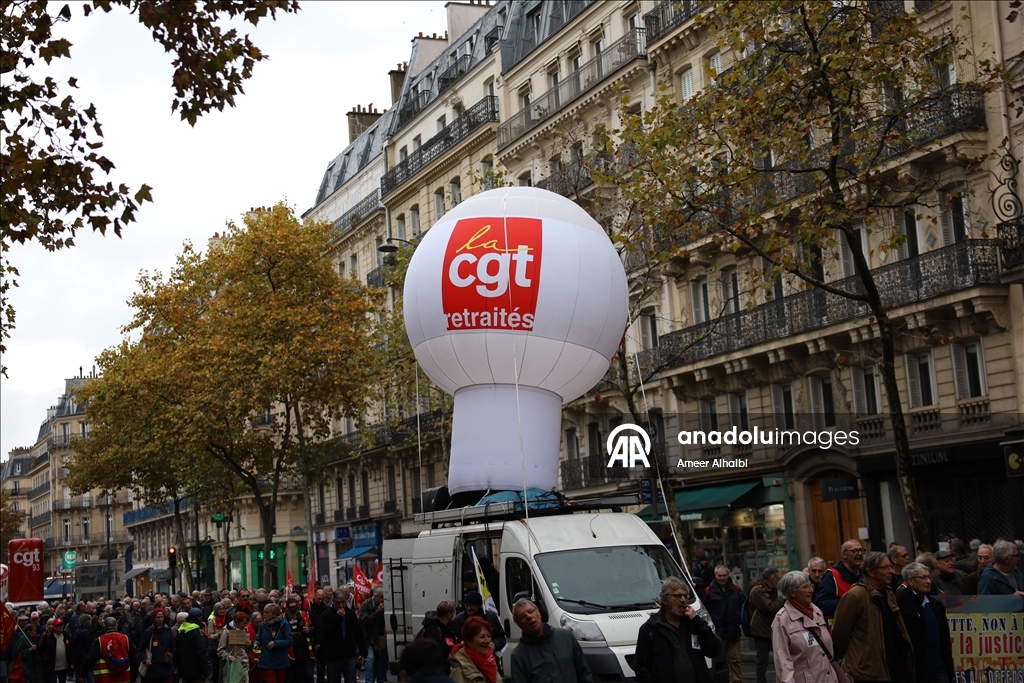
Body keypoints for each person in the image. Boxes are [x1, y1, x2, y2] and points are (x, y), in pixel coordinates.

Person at [832, 551, 914, 683]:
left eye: (890, 567)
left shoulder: (889, 592)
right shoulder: (855, 595)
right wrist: (859, 655)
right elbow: (840, 634)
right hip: (866, 672)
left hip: (893, 666)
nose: (891, 571)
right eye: (885, 568)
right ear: (871, 572)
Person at [634, 577, 720, 683]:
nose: (683, 600)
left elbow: (714, 650)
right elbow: (642, 669)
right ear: (664, 600)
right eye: (677, 596)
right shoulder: (650, 629)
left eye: (685, 596)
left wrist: (697, 621)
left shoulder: (694, 625)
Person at [771, 571, 845, 683]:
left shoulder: (816, 611)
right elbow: (783, 661)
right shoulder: (782, 619)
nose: (811, 590)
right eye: (805, 587)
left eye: (811, 585)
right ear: (792, 592)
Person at [896, 562, 955, 683]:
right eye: (923, 578)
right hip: (917, 672)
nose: (928, 581)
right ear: (911, 580)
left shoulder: (935, 605)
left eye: (929, 577)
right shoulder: (901, 602)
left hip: (940, 670)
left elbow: (944, 638)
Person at [509, 598, 592, 683]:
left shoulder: (565, 637)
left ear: (539, 613)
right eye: (523, 616)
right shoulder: (519, 656)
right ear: (518, 624)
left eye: (530, 611)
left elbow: (584, 674)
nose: (529, 616)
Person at [704, 566, 742, 683]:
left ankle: (737, 680)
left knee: (735, 659)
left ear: (728, 576)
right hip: (718, 633)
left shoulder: (736, 589)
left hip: (733, 631)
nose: (722, 578)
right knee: (719, 660)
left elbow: (743, 606)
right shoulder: (708, 591)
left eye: (724, 575)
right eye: (719, 576)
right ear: (715, 576)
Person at [814, 539, 865, 626]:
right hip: (842, 629)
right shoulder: (832, 575)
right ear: (844, 555)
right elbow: (820, 605)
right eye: (855, 551)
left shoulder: (865, 574)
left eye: (861, 550)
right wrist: (848, 602)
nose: (860, 554)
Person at [319, 591, 366, 683]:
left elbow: (358, 633)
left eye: (343, 602)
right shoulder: (327, 615)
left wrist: (363, 652)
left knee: (351, 680)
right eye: (338, 603)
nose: (341, 605)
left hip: (349, 655)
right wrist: (338, 618)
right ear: (333, 601)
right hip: (333, 657)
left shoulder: (351, 614)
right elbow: (326, 633)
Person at [748, 567, 784, 683]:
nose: (778, 582)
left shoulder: (771, 589)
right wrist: (784, 599)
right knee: (762, 661)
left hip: (772, 629)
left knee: (781, 658)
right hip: (761, 631)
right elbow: (770, 608)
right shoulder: (757, 591)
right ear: (772, 579)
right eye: (777, 579)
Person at [81, 618, 136, 683]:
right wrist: (134, 677)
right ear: (116, 625)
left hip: (104, 678)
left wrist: (83, 674)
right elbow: (134, 659)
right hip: (124, 677)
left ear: (104, 626)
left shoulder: (100, 641)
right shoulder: (126, 638)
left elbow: (90, 659)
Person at [447, 617, 500, 683]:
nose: (487, 640)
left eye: (489, 636)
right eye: (482, 637)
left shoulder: (491, 662)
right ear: (468, 640)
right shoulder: (459, 671)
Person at [256, 604, 294, 683]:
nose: (264, 614)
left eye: (267, 612)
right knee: (271, 681)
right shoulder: (263, 625)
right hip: (267, 660)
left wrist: (276, 643)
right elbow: (258, 638)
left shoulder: (283, 624)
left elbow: (289, 641)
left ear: (274, 614)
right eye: (264, 612)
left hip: (280, 660)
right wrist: (256, 643)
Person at [358, 587, 387, 683]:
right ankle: (369, 681)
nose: (383, 599)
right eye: (381, 597)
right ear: (376, 597)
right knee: (370, 658)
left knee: (379, 662)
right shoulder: (366, 605)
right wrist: (378, 612)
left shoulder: (386, 606)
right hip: (368, 637)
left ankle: (375, 679)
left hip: (378, 638)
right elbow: (366, 621)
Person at [283, 595, 314, 683]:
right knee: (291, 678)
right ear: (287, 608)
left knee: (309, 677)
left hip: (305, 652)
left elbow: (315, 628)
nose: (293, 613)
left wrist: (309, 629)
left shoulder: (305, 614)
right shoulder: (282, 617)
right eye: (291, 611)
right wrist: (290, 634)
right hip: (290, 654)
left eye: (295, 610)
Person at [139, 608, 175, 683]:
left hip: (167, 668)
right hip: (153, 669)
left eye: (161, 617)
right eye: (157, 617)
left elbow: (173, 647)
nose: (160, 619)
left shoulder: (168, 630)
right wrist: (145, 660)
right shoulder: (148, 632)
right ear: (154, 619)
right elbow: (141, 649)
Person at [175, 608, 211, 683]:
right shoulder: (197, 632)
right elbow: (201, 653)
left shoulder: (181, 630)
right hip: (197, 672)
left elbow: (176, 651)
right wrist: (205, 671)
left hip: (184, 671)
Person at [219, 610, 253, 683]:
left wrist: (249, 644)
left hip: (243, 662)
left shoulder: (244, 630)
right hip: (231, 664)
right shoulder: (227, 631)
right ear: (237, 621)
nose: (245, 625)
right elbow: (220, 650)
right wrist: (229, 657)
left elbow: (248, 649)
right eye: (243, 623)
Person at [38, 618, 73, 683]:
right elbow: (41, 649)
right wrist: (45, 658)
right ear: (54, 627)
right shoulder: (48, 636)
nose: (61, 627)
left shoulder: (66, 636)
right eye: (58, 625)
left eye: (62, 625)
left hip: (63, 666)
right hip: (52, 666)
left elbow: (71, 649)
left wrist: (71, 662)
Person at [308, 591, 331, 683]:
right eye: (318, 598)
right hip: (311, 637)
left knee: (322, 661)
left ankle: (320, 678)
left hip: (323, 639)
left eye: (322, 599)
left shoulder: (326, 608)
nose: (320, 601)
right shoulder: (310, 608)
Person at [70, 614, 94, 683]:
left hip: (78, 660)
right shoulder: (87, 633)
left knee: (79, 678)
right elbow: (90, 647)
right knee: (90, 678)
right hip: (86, 659)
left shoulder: (76, 632)